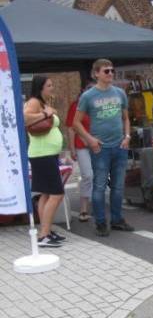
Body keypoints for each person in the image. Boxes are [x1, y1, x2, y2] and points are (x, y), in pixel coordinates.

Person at [73, 58, 134, 237]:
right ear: (96, 74)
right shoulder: (88, 96)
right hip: (100, 148)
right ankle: (100, 222)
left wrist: (127, 136)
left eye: (112, 70)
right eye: (106, 71)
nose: (110, 74)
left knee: (118, 186)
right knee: (99, 186)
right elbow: (76, 123)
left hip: (120, 146)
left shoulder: (120, 93)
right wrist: (90, 140)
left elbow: (126, 118)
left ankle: (117, 220)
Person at [23, 75, 66, 248]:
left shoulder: (42, 102)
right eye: (49, 86)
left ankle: (46, 231)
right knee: (57, 194)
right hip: (42, 155)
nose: (52, 88)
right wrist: (45, 113)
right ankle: (43, 236)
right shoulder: (34, 102)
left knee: (46, 194)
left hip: (47, 154)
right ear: (40, 87)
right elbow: (24, 118)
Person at [66, 84, 92, 222]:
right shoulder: (76, 105)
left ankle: (96, 203)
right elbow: (71, 128)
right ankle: (83, 208)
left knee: (98, 175)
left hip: (99, 145)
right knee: (87, 175)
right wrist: (72, 148)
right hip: (82, 145)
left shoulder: (98, 105)